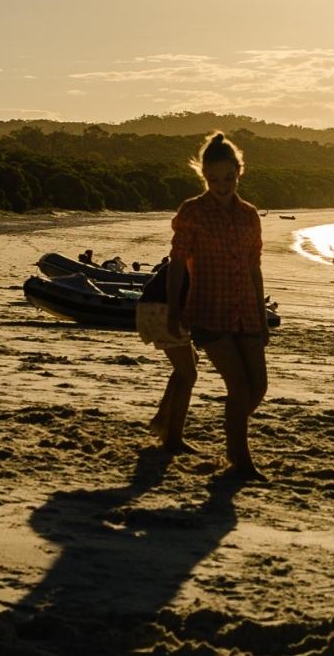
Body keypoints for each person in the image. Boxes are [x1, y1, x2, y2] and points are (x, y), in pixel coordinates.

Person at [166, 132, 269, 481]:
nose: (222, 186)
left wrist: (262, 317)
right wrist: (173, 310)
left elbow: (254, 267)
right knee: (238, 387)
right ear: (204, 176)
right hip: (208, 311)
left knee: (258, 387)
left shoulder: (249, 215)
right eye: (214, 179)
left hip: (247, 310)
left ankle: (232, 431)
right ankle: (240, 460)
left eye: (228, 178)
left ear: (239, 173)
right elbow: (177, 263)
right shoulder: (192, 211)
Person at [136, 260, 198, 455]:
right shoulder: (204, 255)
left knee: (189, 363)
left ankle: (162, 417)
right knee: (188, 374)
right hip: (162, 308)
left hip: (155, 304)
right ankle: (173, 438)